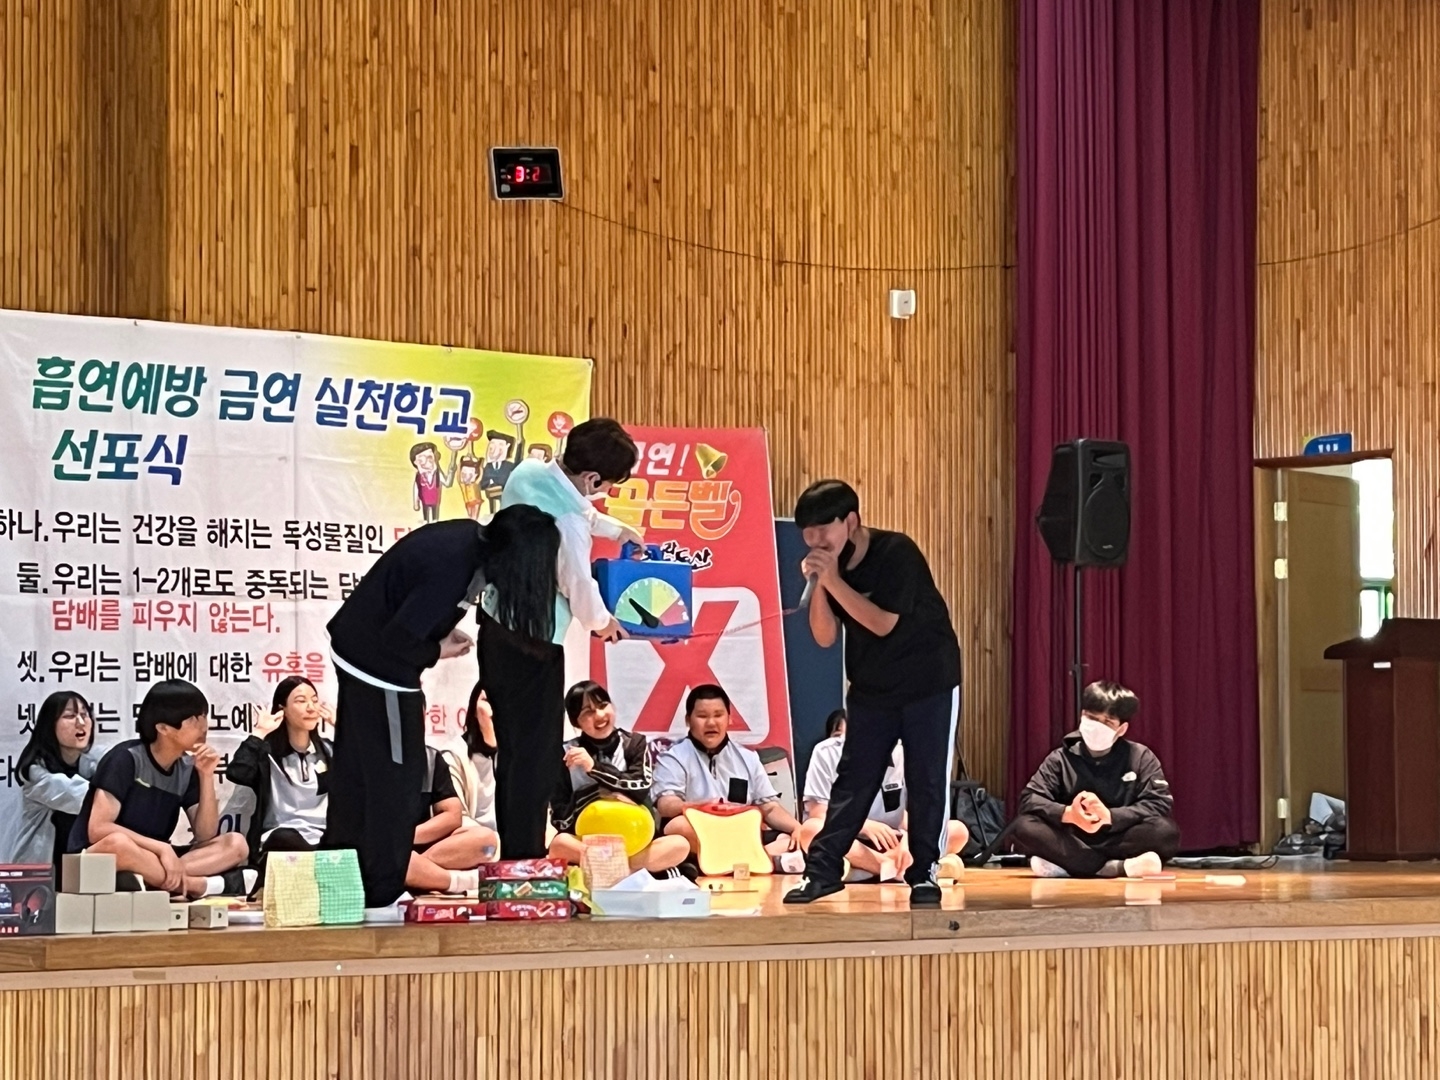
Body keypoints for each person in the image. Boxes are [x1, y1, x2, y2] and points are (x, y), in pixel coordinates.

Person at [323, 505, 560, 920]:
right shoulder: (452, 567)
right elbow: (399, 637)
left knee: (362, 778)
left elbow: (409, 610)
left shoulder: (467, 543)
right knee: (394, 780)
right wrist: (437, 649)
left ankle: (352, 887)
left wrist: (438, 633)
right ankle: (382, 892)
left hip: (366, 655)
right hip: (377, 668)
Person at [784, 480, 962, 908]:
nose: (816, 540)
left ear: (851, 521)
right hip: (871, 688)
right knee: (853, 779)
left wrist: (834, 580)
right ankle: (822, 871)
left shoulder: (896, 552)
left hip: (928, 683)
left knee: (926, 777)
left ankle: (924, 873)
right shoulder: (831, 569)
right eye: (808, 532)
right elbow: (825, 637)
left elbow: (884, 623)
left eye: (824, 529)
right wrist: (823, 584)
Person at [481, 417, 642, 859]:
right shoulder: (568, 523)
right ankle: (525, 859)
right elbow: (577, 583)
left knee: (513, 751)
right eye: (607, 485)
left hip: (494, 627)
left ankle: (516, 855)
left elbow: (576, 507)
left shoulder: (527, 472)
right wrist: (605, 623)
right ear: (592, 478)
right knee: (536, 757)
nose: (603, 493)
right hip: (532, 645)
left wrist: (616, 530)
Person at [68, 680, 251, 897]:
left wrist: (206, 775)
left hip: (153, 857)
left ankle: (152, 879)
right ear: (163, 728)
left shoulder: (186, 767)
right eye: (192, 719)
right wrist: (162, 848)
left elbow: (205, 834)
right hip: (94, 855)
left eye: (203, 716)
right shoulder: (126, 758)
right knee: (119, 844)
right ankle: (195, 886)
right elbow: (98, 829)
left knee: (236, 844)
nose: (203, 726)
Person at [1010, 680, 1180, 879]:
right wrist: (1068, 814)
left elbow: (1159, 802)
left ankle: (1072, 865)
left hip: (1117, 835)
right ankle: (1114, 868)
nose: (1098, 726)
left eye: (1107, 722)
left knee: (1165, 832)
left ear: (1121, 729)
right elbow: (1030, 799)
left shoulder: (1141, 756)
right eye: (1092, 718)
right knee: (1023, 826)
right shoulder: (1060, 758)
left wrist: (1110, 816)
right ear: (1082, 716)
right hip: (1072, 835)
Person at [798, 708, 970, 882]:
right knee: (811, 830)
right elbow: (818, 812)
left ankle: (862, 872)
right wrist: (863, 826)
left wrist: (910, 839)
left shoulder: (904, 752)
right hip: (851, 840)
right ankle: (896, 869)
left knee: (958, 830)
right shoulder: (826, 752)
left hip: (893, 840)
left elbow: (918, 811)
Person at [548, 680, 689, 876]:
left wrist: (594, 768)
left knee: (679, 844)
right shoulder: (565, 754)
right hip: (589, 844)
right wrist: (594, 794)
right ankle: (629, 871)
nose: (599, 715)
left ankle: (615, 871)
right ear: (575, 722)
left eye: (603, 705)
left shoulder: (634, 743)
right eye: (588, 712)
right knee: (559, 844)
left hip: (637, 844)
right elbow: (560, 820)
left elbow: (640, 788)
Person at [653, 685, 802, 859]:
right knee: (679, 826)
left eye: (718, 715)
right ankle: (751, 859)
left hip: (740, 832)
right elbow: (666, 805)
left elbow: (769, 808)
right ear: (688, 720)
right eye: (702, 716)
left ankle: (731, 859)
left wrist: (797, 827)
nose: (711, 723)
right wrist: (704, 807)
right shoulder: (673, 757)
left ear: (729, 719)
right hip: (700, 832)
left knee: (788, 839)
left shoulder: (748, 758)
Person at [225, 676, 335, 867]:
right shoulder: (267, 753)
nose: (311, 707)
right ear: (282, 709)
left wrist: (342, 728)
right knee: (285, 837)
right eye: (301, 701)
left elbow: (364, 777)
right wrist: (260, 732)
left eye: (314, 700)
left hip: (324, 838)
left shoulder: (329, 751)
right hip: (281, 840)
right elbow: (238, 773)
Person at [14, 690, 100, 867]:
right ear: (49, 725)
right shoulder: (35, 771)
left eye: (84, 715)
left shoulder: (94, 762)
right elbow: (81, 797)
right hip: (42, 869)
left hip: (83, 865)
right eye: (70, 716)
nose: (81, 722)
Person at [406, 746, 498, 895]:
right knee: (391, 860)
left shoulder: (431, 757)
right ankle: (464, 882)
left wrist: (405, 838)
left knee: (487, 843)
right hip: (384, 851)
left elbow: (452, 815)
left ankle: (419, 874)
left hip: (418, 846)